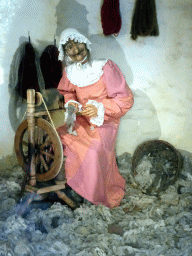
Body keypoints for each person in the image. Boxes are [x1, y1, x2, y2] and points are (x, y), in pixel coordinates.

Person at [56, 28, 134, 208]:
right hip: (81, 121)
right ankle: (70, 187)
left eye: (77, 44)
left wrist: (100, 108)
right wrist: (72, 104)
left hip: (105, 122)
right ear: (66, 52)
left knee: (92, 151)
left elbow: (125, 100)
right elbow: (68, 93)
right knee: (59, 139)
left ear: (85, 43)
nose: (75, 50)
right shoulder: (69, 72)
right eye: (69, 47)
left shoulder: (105, 67)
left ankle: (91, 195)